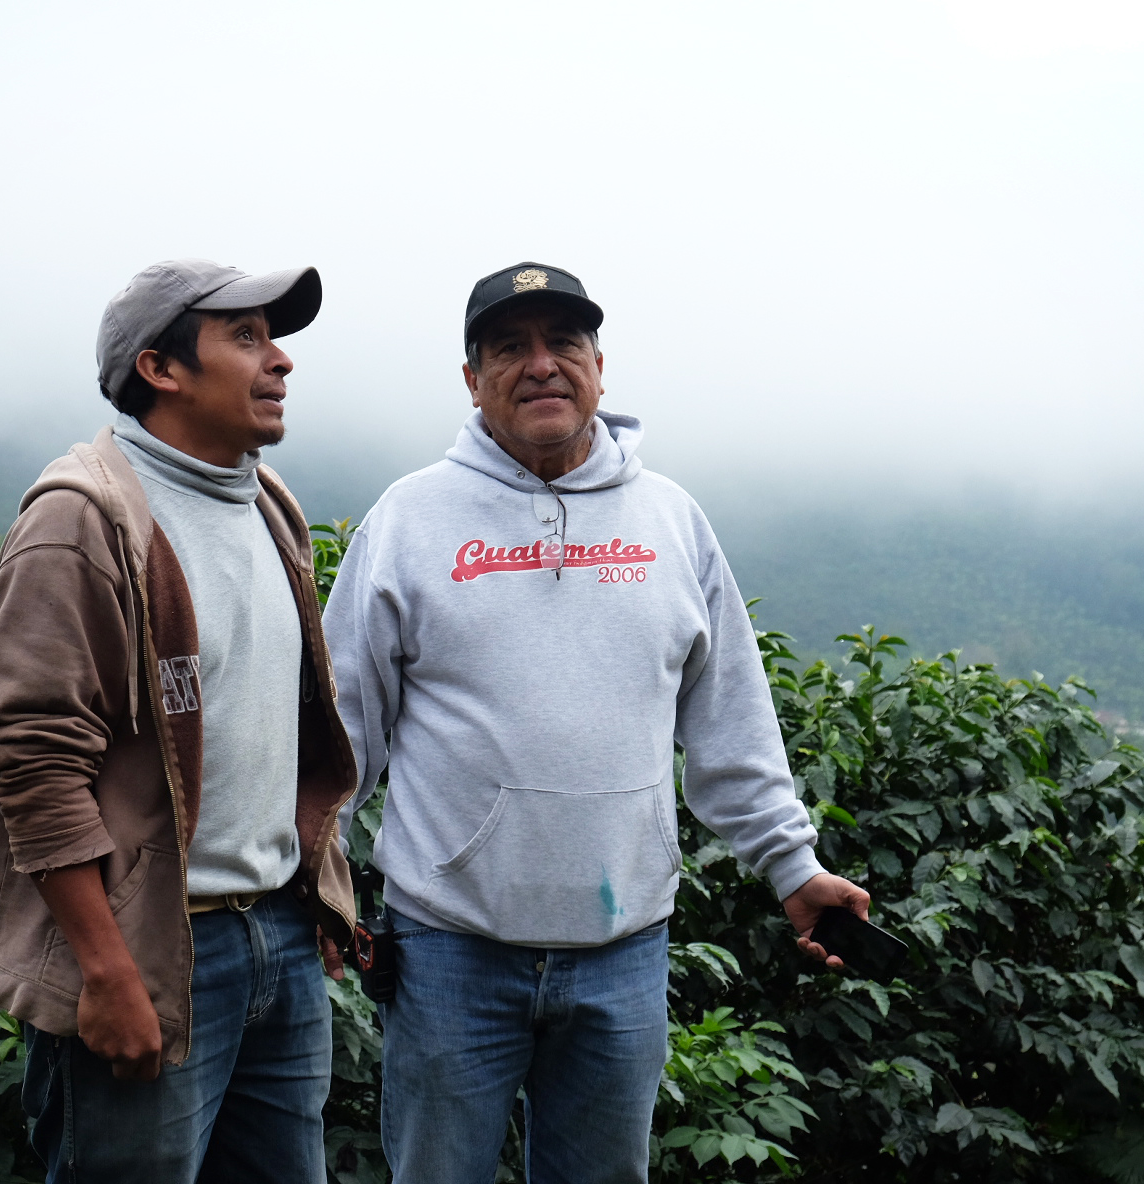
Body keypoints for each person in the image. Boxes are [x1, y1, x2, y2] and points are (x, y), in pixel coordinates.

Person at [322, 261, 874, 1182]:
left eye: (563, 343)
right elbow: (343, 732)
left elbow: (730, 718)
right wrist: (320, 878)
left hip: (624, 956)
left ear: (599, 367)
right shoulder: (411, 518)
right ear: (472, 380)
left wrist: (793, 864)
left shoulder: (672, 520)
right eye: (510, 348)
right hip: (449, 949)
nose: (541, 365)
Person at [0, 258, 357, 1184]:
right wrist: (105, 971)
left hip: (278, 945)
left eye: (276, 337)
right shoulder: (83, 516)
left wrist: (317, 891)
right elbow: (29, 755)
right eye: (247, 338)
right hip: (155, 950)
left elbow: (276, 726)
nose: (281, 361)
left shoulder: (267, 503)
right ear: (160, 369)